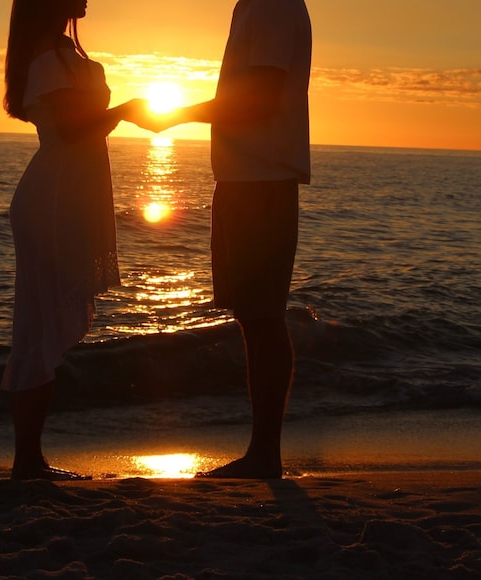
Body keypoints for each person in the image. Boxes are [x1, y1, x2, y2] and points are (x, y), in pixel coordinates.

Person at [152, 0, 312, 479]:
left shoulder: (271, 5)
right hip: (247, 179)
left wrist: (174, 113)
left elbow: (259, 99)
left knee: (262, 316)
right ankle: (262, 452)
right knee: (254, 317)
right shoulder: (256, 6)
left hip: (260, 182)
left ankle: (265, 455)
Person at [1, 0, 150, 480]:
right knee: (38, 326)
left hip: (73, 195)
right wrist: (124, 111)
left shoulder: (64, 51)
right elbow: (69, 130)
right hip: (54, 198)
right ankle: (27, 461)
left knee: (45, 325)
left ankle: (31, 458)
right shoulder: (46, 58)